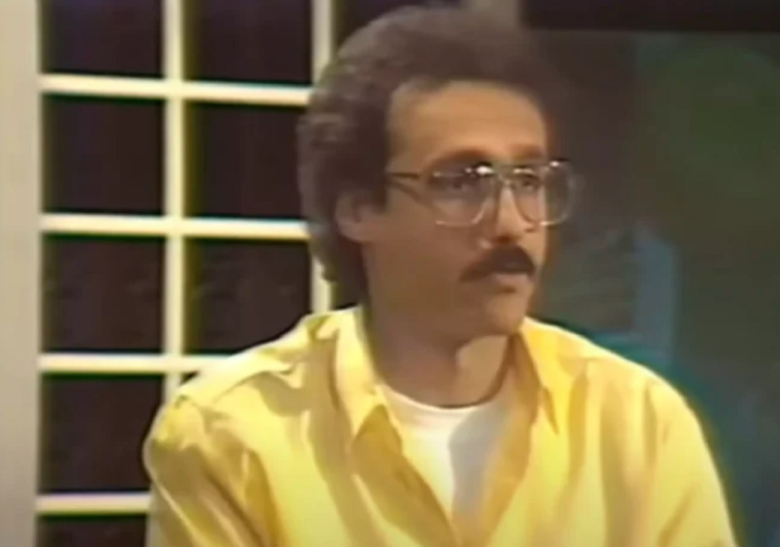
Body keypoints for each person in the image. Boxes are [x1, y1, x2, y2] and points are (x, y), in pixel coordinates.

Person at [143, 6, 736, 546]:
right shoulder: (234, 435)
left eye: (529, 180)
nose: (511, 223)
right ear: (359, 208)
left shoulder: (635, 422)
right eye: (461, 182)